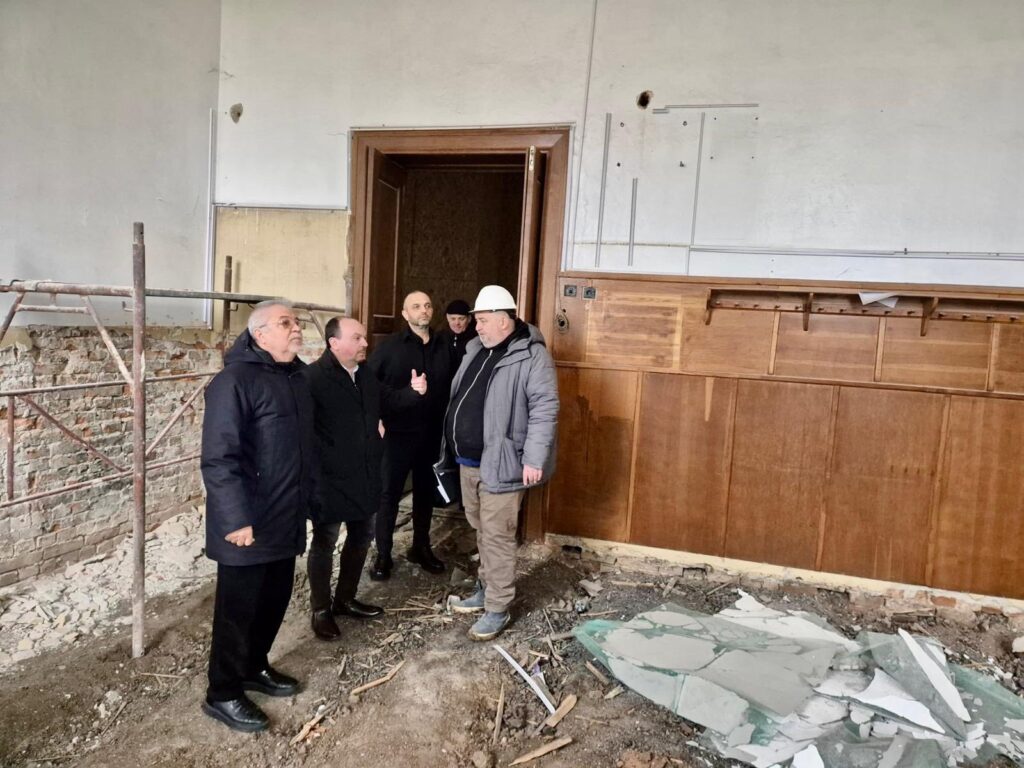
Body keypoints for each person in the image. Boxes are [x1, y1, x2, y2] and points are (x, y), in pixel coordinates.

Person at [200, 300, 315, 732]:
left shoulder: (297, 378)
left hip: (285, 514)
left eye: (297, 322)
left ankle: (253, 666)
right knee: (238, 609)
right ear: (260, 334)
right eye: (286, 323)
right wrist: (234, 519)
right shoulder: (234, 381)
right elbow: (219, 457)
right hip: (248, 520)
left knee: (274, 598)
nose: (296, 328)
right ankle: (223, 691)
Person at [439, 285, 559, 641]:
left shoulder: (531, 355)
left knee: (497, 536)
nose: (476, 327)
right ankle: (486, 588)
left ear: (504, 321)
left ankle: (498, 607)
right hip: (468, 461)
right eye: (476, 320)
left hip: (503, 462)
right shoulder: (477, 349)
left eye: (482, 320)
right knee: (481, 530)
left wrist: (534, 458)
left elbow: (544, 408)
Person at [303, 317, 426, 641]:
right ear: (334, 343)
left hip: (366, 474)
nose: (365, 343)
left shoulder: (365, 374)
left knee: (361, 538)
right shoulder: (312, 378)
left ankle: (345, 599)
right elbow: (302, 433)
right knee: (325, 543)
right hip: (329, 480)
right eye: (357, 338)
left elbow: (390, 401)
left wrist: (414, 392)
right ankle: (320, 610)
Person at [368, 290, 455, 580]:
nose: (424, 310)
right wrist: (377, 418)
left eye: (427, 305)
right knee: (389, 494)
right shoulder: (389, 347)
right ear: (405, 314)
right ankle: (383, 555)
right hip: (397, 433)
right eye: (416, 306)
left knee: (425, 493)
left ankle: (420, 547)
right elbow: (369, 385)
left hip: (432, 434)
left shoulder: (444, 346)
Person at [439, 298, 477, 363]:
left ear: (469, 319)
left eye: (461, 319)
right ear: (447, 318)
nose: (457, 323)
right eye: (453, 319)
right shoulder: (440, 338)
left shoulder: (476, 340)